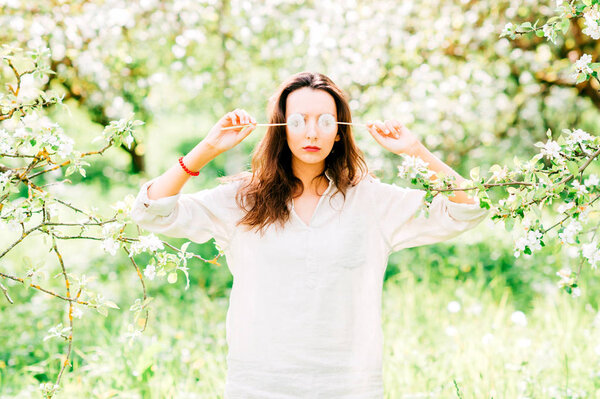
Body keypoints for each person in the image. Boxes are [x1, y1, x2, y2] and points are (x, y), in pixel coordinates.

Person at [130, 71, 490, 398]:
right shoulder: (242, 200)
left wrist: (415, 150)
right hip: (258, 384)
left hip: (350, 385)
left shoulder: (370, 200)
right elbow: (153, 212)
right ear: (281, 127)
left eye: (325, 121)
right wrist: (207, 149)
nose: (312, 132)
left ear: (340, 130)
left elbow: (468, 208)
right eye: (299, 121)